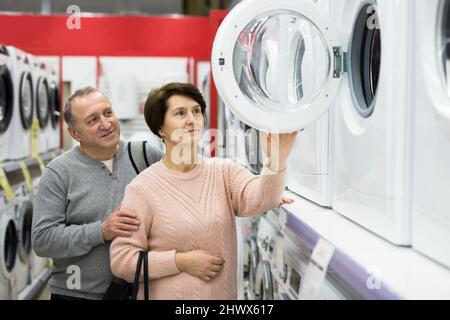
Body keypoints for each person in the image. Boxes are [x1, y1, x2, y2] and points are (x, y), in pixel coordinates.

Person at [110, 82, 298, 299]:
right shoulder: (143, 189)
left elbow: (260, 199)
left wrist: (276, 160)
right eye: (180, 113)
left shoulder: (223, 172)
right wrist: (181, 262)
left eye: (197, 111)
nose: (192, 120)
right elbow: (122, 261)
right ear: (160, 128)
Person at [31, 86, 164, 300]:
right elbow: (43, 240)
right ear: (75, 133)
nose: (106, 123)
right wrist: (101, 231)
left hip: (135, 291)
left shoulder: (145, 156)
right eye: (92, 120)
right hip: (76, 294)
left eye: (108, 113)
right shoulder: (59, 172)